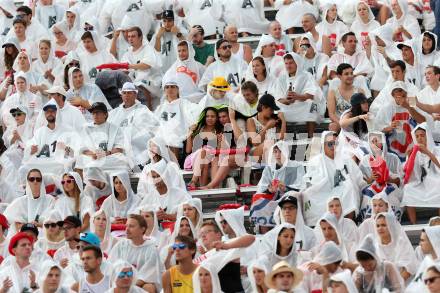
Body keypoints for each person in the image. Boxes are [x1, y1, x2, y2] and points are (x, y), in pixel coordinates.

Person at [302, 131, 365, 225]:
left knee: (350, 187)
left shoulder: (346, 159)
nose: (333, 146)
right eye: (330, 144)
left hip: (343, 190)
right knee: (307, 196)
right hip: (323, 192)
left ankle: (349, 224)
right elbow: (310, 181)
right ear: (323, 145)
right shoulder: (315, 161)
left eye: (335, 143)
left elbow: (359, 178)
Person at [271, 52, 323, 138]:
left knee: (312, 105)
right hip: (287, 107)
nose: (288, 66)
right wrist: (286, 100)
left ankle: (310, 138)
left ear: (297, 63)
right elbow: (277, 98)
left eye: (291, 63)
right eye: (286, 63)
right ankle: (280, 140)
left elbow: (312, 94)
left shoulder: (306, 76)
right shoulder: (281, 78)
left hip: (302, 105)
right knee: (276, 108)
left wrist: (298, 97)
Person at [108, 82, 158, 166]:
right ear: (121, 95)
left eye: (129, 93)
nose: (127, 95)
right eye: (124, 93)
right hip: (119, 152)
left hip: (138, 152)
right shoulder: (114, 113)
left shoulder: (143, 111)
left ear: (135, 95)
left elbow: (154, 129)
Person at [108, 214, 162, 292]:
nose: (127, 229)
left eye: (131, 226)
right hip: (121, 280)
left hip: (140, 284)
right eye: (126, 226)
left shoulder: (151, 248)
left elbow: (147, 275)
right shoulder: (121, 244)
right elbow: (112, 266)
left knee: (149, 287)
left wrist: (129, 286)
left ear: (142, 229)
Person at [375, 81, 426, 161]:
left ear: (406, 94)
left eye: (403, 95)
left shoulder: (412, 102)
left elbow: (423, 121)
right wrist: (389, 127)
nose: (400, 98)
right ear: (392, 95)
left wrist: (409, 107)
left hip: (412, 142)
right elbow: (377, 128)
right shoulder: (386, 107)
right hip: (393, 145)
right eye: (397, 94)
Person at [402, 122, 440, 223]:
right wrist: (409, 157)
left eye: (422, 135)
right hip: (420, 182)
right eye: (417, 136)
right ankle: (413, 223)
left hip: (435, 180)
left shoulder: (437, 150)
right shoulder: (415, 152)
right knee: (408, 188)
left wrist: (427, 152)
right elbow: (409, 173)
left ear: (427, 136)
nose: (419, 138)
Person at [77, 102, 131, 172]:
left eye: (97, 112)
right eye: (93, 113)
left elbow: (119, 149)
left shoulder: (115, 128)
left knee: (122, 159)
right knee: (79, 160)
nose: (95, 115)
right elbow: (83, 149)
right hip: (92, 158)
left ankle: (95, 168)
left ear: (105, 114)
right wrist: (93, 155)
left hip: (109, 157)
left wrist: (106, 153)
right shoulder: (86, 128)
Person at [121, 26, 163, 109]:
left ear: (140, 37)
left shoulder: (148, 48)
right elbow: (124, 69)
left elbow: (146, 65)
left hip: (153, 79)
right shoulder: (128, 52)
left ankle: (148, 111)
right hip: (136, 80)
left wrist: (129, 66)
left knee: (141, 85)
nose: (130, 39)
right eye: (129, 37)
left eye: (133, 36)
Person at [154, 79, 197, 157]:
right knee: (155, 141)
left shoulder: (184, 103)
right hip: (162, 133)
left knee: (172, 139)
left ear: (177, 90)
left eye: (172, 87)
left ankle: (174, 166)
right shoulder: (161, 107)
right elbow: (154, 122)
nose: (170, 89)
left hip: (179, 132)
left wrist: (192, 126)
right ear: (164, 90)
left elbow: (194, 112)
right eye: (167, 87)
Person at [374, 212, 419, 281]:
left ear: (391, 226)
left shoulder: (401, 242)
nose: (380, 228)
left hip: (403, 283)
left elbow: (409, 269)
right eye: (378, 226)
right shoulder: (374, 245)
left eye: (383, 225)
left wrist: (395, 286)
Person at [246, 94, 286, 162]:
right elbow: (255, 142)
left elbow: (281, 139)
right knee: (269, 143)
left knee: (280, 146)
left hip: (273, 152)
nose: (272, 112)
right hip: (256, 152)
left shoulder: (274, 119)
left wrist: (283, 120)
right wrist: (267, 127)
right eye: (271, 109)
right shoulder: (251, 120)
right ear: (263, 107)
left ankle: (274, 166)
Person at [327, 63, 364, 132]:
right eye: (346, 74)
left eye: (351, 73)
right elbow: (331, 114)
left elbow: (363, 111)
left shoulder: (359, 91)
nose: (350, 76)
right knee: (332, 126)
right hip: (340, 122)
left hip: (355, 122)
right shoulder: (333, 92)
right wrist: (342, 124)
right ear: (339, 76)